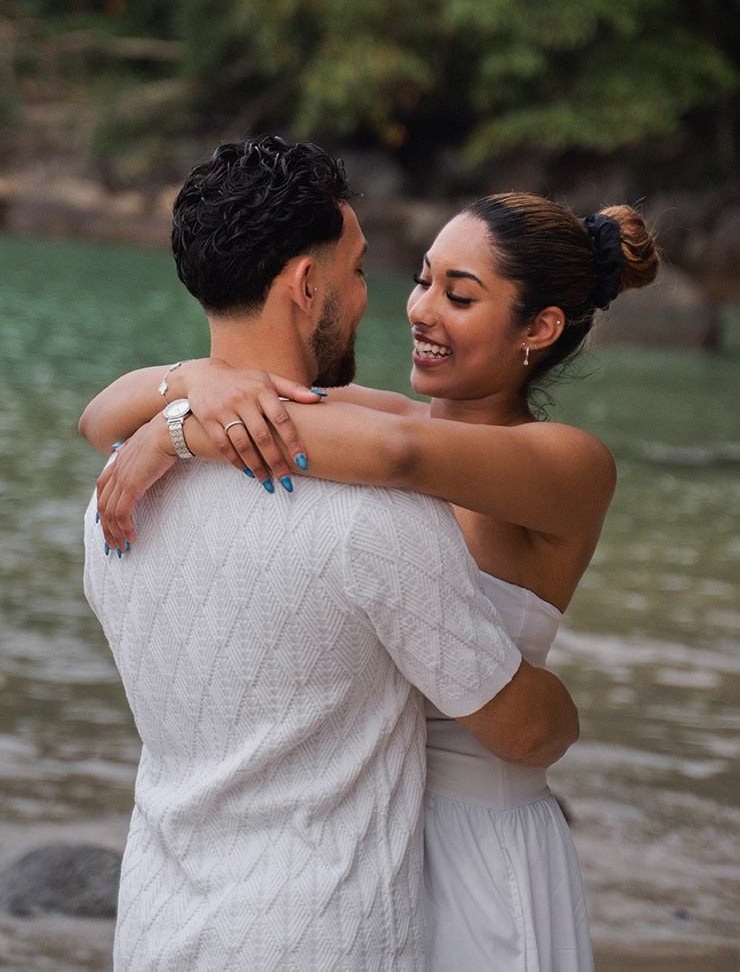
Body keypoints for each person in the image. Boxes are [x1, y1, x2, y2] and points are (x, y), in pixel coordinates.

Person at [84, 165, 659, 969]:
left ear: (540, 326)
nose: (419, 309)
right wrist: (197, 382)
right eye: (421, 280)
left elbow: (397, 456)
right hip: (361, 834)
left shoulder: (563, 459)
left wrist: (176, 432)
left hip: (476, 838)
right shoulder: (381, 414)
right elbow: (98, 414)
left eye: (460, 296)